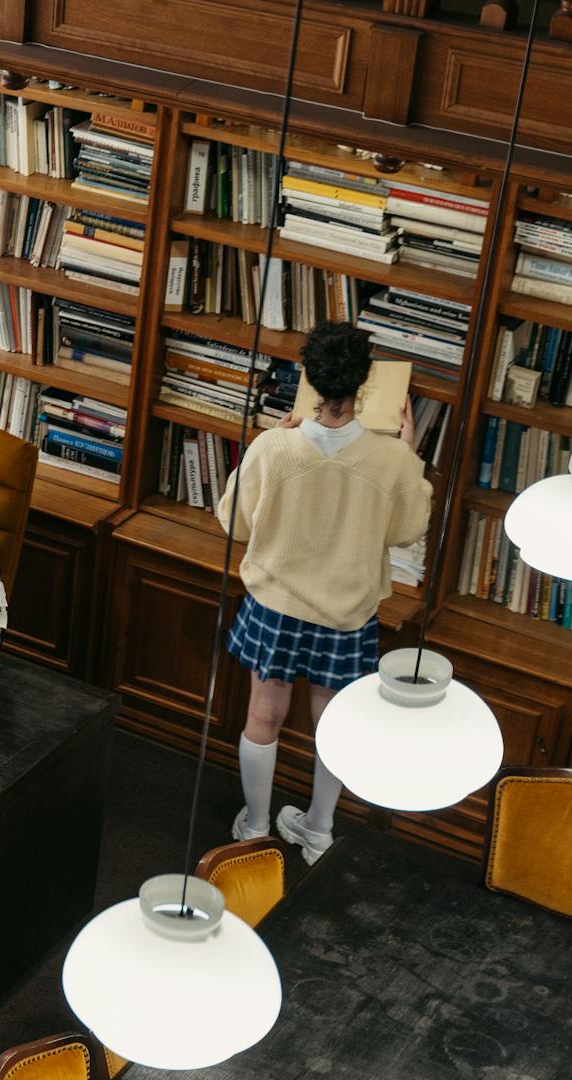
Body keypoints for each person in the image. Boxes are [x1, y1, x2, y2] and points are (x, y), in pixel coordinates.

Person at [217, 322, 433, 865]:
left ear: (307, 378)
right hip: (347, 612)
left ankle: (255, 828)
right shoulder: (391, 462)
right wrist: (410, 454)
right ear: (364, 384)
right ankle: (317, 830)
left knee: (263, 715)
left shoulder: (274, 448)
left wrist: (269, 439)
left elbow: (233, 523)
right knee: (332, 725)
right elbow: (408, 530)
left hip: (276, 606)